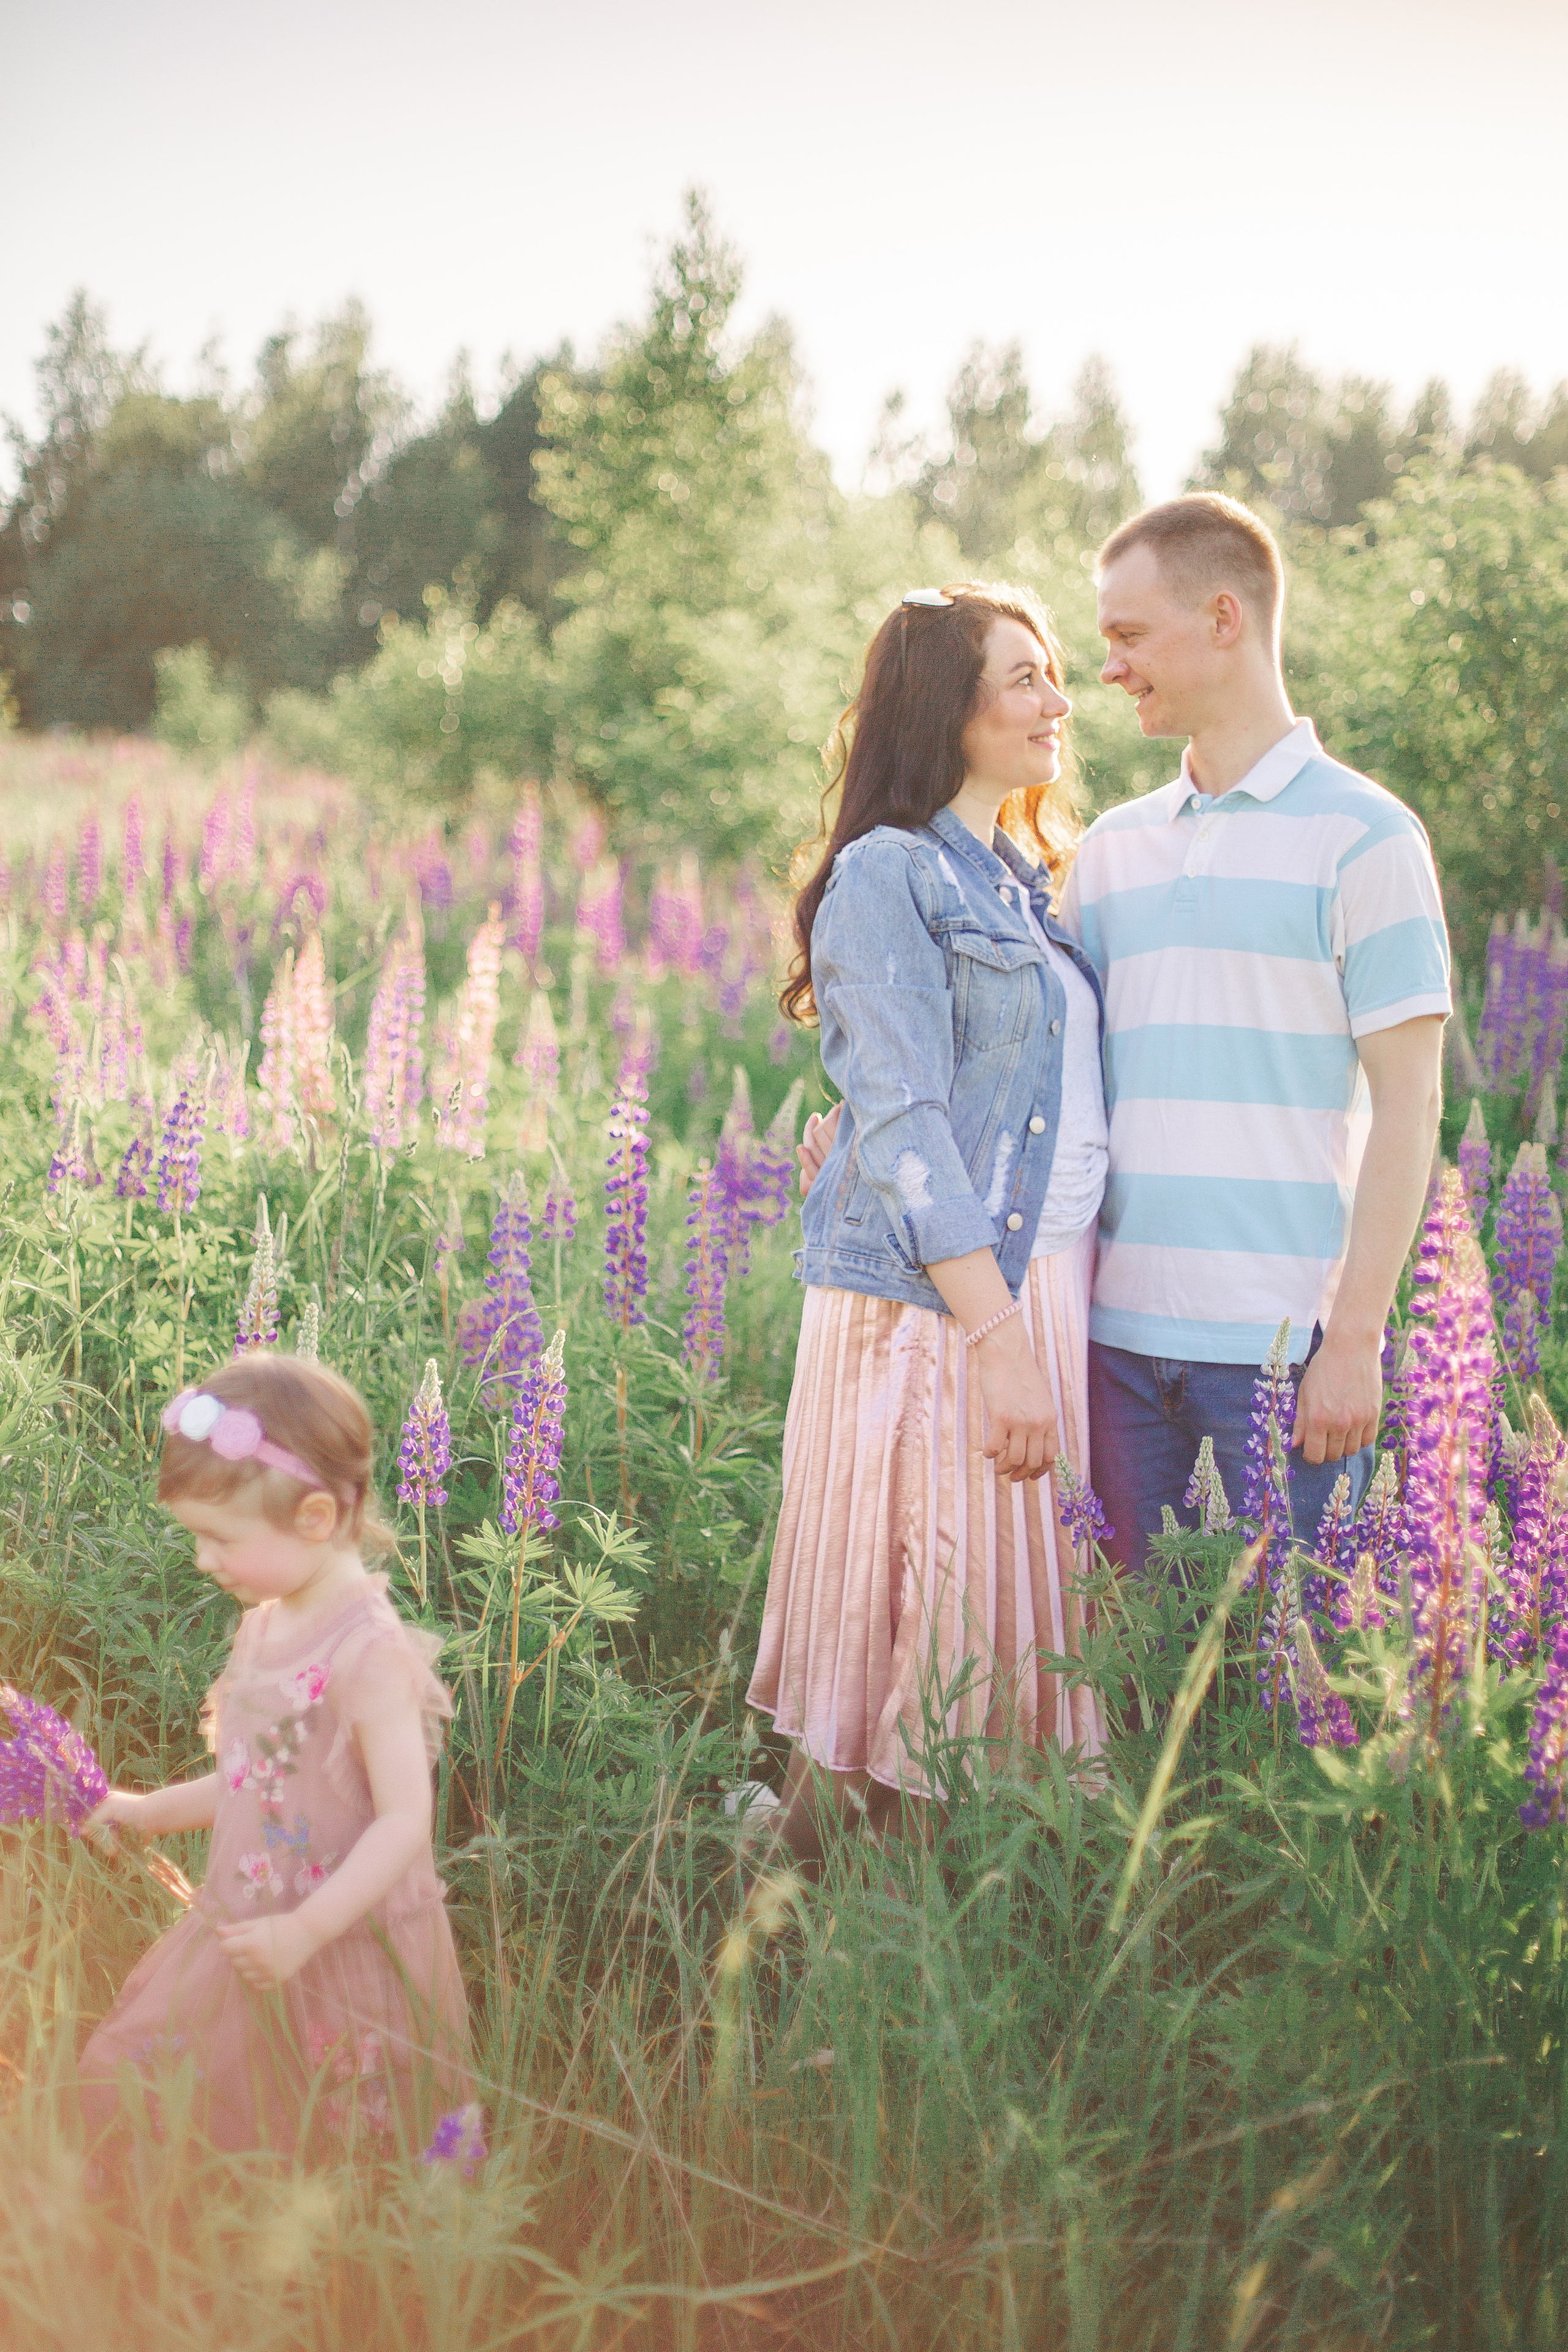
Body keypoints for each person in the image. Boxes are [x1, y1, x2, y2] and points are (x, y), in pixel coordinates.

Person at [747, 581, 1106, 1864]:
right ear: (944, 707)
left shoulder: (1026, 878)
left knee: (983, 1645)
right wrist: (994, 1337)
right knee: (915, 1631)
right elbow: (901, 1124)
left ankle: (902, 1933)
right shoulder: (888, 872)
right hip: (941, 1304)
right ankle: (805, 1944)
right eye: (1023, 677)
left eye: (1054, 672)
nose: (1056, 702)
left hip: (1027, 1287)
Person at [1060, 493, 1450, 1569]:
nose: (1111, 670)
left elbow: (1413, 1107)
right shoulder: (1107, 853)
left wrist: (1357, 1340)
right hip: (1117, 1349)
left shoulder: (1369, 838)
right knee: (1139, 1687)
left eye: (1130, 636)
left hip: (1288, 1355)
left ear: (1224, 619)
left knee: (1297, 1694)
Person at [81, 1353, 473, 2155]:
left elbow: (405, 1822)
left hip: (344, 1944)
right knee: (140, 2080)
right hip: (249, 1919)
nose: (202, 1560)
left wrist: (306, 1931)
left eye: (219, 1538)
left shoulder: (369, 1655)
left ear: (316, 1519)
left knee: (342, 2148)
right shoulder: (265, 1623)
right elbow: (254, 1778)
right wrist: (147, 1814)